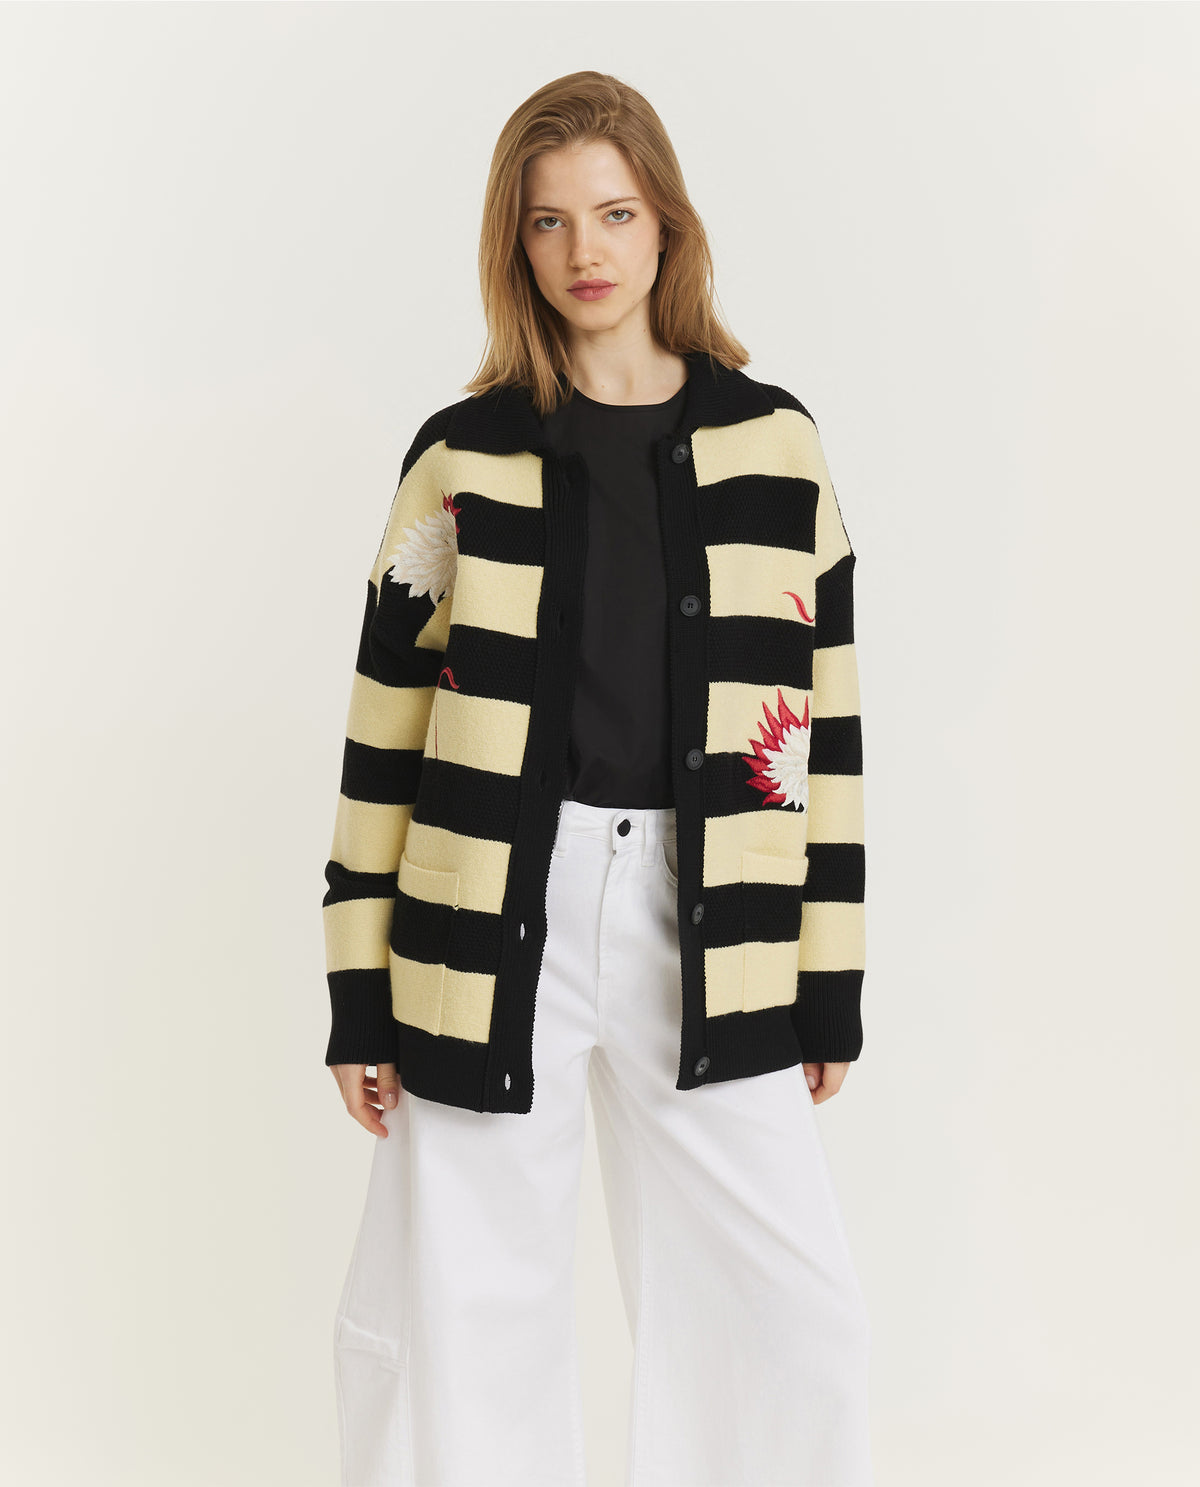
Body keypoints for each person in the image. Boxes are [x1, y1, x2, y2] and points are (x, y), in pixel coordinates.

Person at [323, 70, 873, 1487]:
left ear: (667, 224)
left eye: (616, 213)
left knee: (791, 1313)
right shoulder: (461, 458)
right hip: (490, 913)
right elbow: (383, 734)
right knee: (470, 1303)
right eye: (550, 220)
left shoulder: (777, 448)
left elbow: (827, 735)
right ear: (514, 241)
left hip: (717, 915)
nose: (587, 251)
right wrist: (359, 992)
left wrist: (828, 981)